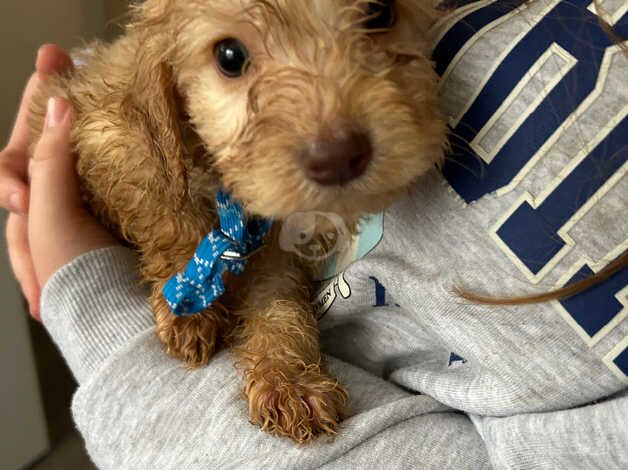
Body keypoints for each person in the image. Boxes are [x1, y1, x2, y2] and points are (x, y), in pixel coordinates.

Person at [2, 2, 626, 468]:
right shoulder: (146, 103)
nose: (328, 135)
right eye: (234, 58)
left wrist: (91, 303)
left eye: (372, 14)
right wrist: (164, 248)